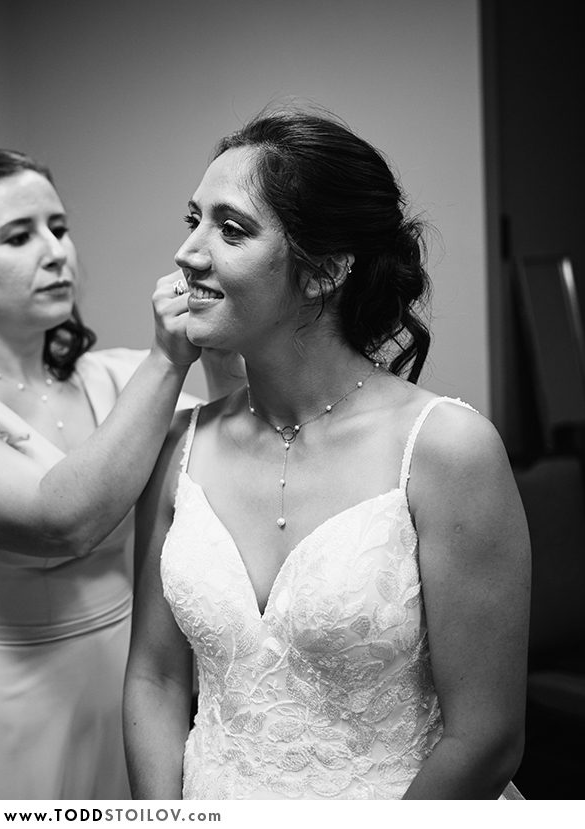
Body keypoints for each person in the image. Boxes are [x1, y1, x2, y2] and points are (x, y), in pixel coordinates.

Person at [123, 108, 531, 799]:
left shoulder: (446, 450)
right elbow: (155, 678)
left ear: (325, 271)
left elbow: (486, 739)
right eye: (193, 220)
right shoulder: (177, 449)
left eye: (231, 229)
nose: (189, 253)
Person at [0, 148, 238, 799]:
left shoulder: (118, 378)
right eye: (19, 236)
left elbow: (228, 453)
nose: (56, 251)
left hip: (134, 690)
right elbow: (62, 522)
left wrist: (222, 331)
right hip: (8, 713)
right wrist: (168, 359)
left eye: (58, 228)